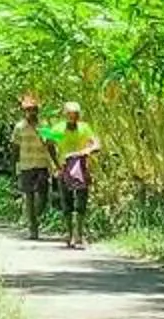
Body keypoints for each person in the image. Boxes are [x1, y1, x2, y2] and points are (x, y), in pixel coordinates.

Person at [51, 102, 100, 247]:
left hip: (81, 169)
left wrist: (87, 151)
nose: (72, 118)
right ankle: (69, 233)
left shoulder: (84, 128)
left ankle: (79, 234)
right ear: (65, 115)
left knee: (81, 202)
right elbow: (48, 144)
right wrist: (56, 165)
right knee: (66, 202)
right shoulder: (58, 129)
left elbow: (96, 144)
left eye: (75, 115)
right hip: (64, 168)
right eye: (69, 115)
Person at [13, 92, 53, 239]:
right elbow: (15, 148)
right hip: (26, 165)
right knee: (29, 196)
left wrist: (55, 164)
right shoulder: (19, 127)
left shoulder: (45, 126)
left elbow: (51, 146)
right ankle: (32, 227)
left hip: (42, 164)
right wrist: (14, 167)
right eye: (28, 110)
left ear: (37, 111)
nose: (31, 112)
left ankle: (34, 218)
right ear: (24, 111)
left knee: (43, 197)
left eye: (34, 109)